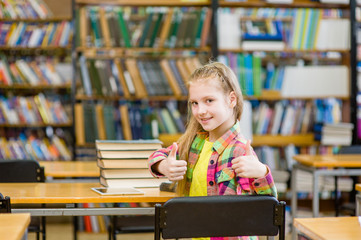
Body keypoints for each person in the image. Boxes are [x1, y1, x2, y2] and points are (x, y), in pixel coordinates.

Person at [148, 62, 277, 239]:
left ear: (232, 99)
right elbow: (156, 156)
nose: (200, 111)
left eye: (209, 100)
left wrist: (261, 172)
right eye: (194, 103)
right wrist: (163, 166)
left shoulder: (240, 151)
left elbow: (269, 211)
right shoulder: (194, 142)